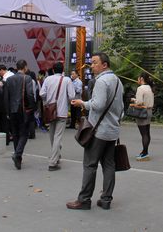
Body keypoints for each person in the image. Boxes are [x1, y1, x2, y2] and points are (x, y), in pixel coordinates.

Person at [67, 52, 124, 210]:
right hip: (112, 131)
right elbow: (121, 109)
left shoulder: (101, 81)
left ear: (104, 65)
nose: (91, 66)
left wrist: (82, 103)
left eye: (94, 63)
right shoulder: (117, 81)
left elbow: (98, 105)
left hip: (99, 131)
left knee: (90, 165)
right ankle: (106, 199)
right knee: (109, 165)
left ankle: (84, 200)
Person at [39, 62, 75, 171]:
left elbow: (42, 94)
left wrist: (49, 99)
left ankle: (56, 156)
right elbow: (72, 96)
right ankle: (53, 162)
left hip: (51, 111)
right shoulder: (67, 80)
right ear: (63, 70)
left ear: (53, 70)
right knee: (58, 136)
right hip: (62, 112)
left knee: (52, 135)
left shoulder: (48, 79)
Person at [4, 60, 35, 169]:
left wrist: (7, 111)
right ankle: (17, 154)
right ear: (25, 67)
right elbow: (30, 94)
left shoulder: (9, 79)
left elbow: (6, 97)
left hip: (12, 110)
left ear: (17, 67)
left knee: (15, 133)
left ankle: (18, 157)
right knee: (24, 133)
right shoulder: (27, 78)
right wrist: (32, 107)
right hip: (23, 110)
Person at [132, 73, 154, 161]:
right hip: (149, 111)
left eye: (138, 78)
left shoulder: (140, 88)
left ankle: (144, 153)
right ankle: (145, 152)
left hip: (142, 112)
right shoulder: (149, 87)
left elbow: (139, 102)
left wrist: (134, 100)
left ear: (141, 78)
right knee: (147, 133)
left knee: (144, 134)